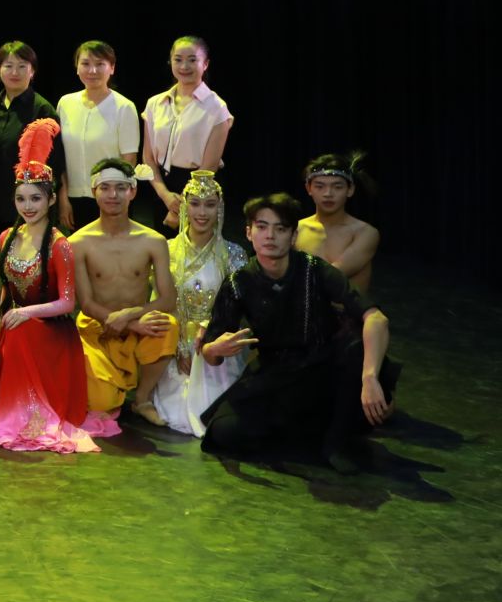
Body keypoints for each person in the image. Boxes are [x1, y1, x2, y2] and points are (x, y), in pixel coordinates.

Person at [198, 193, 397, 471]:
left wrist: (370, 377)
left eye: (280, 229)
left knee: (355, 347)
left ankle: (336, 442)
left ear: (293, 236)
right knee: (224, 432)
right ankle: (307, 430)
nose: (270, 236)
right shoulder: (238, 282)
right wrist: (215, 349)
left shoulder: (314, 269)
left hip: (326, 369)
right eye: (262, 227)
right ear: (249, 232)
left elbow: (376, 318)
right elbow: (210, 351)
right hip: (277, 373)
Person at [0, 119, 115, 453]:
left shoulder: (59, 244)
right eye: (21, 199)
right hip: (17, 327)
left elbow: (67, 302)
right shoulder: (7, 236)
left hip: (53, 333)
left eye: (35, 198)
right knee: (11, 330)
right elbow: (6, 289)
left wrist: (25, 313)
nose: (28, 206)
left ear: (50, 201)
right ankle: (13, 409)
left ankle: (32, 416)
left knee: (19, 329)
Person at [70, 158, 179, 426]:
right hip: (97, 329)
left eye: (121, 188)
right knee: (103, 404)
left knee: (167, 325)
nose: (113, 195)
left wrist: (131, 316)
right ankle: (110, 385)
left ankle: (142, 399)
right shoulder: (78, 242)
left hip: (137, 325)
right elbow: (85, 303)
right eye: (105, 187)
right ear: (94, 191)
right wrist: (125, 322)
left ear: (133, 191)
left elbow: (168, 298)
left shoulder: (153, 241)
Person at [149, 171, 249, 437]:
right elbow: (159, 304)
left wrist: (207, 342)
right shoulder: (167, 250)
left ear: (220, 208)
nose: (202, 212)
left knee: (214, 411)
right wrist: (180, 348)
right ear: (184, 206)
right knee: (178, 406)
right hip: (175, 347)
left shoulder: (233, 254)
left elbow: (236, 310)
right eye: (194, 204)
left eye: (210, 204)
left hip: (214, 346)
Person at [139, 35, 233, 232]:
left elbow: (210, 166)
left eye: (192, 60)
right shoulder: (155, 103)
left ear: (205, 64)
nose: (184, 66)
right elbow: (148, 157)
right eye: (178, 59)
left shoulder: (216, 107)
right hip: (162, 186)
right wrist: (164, 195)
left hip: (200, 191)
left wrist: (180, 209)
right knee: (163, 247)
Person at [56, 42, 141, 233]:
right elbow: (60, 156)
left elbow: (129, 160)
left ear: (112, 68)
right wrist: (62, 198)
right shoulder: (65, 103)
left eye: (100, 64)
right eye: (85, 63)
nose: (92, 70)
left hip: (110, 199)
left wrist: (117, 197)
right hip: (72, 198)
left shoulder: (124, 107)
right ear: (77, 67)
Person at [0, 42, 59, 235]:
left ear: (32, 71)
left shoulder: (42, 109)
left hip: (29, 204)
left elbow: (55, 162)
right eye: (8, 66)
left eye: (22, 66)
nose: (15, 72)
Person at [297, 152, 381, 292]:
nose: (328, 194)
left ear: (350, 189)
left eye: (337, 187)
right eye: (320, 186)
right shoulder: (296, 229)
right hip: (302, 306)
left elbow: (332, 277)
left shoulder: (365, 232)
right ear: (309, 188)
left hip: (346, 307)